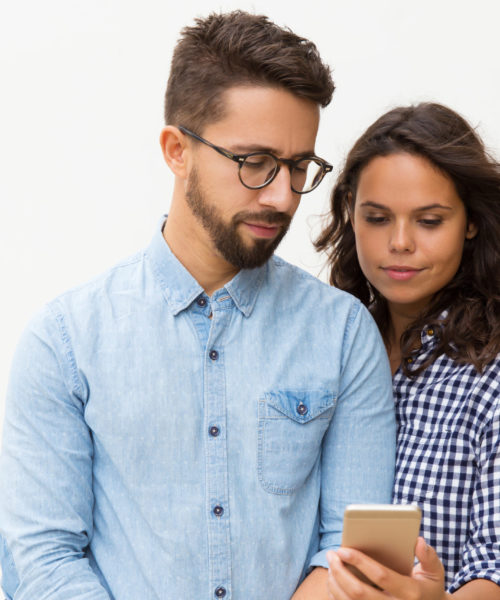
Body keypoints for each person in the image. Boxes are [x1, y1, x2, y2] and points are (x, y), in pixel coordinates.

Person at [0, 11, 397, 600]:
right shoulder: (65, 341)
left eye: (298, 166)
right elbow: (44, 559)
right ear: (176, 150)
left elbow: (353, 553)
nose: (283, 195)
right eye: (254, 163)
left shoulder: (342, 334)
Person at [315, 102, 500, 599]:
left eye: (429, 221)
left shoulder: (490, 374)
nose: (400, 243)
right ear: (351, 210)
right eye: (377, 217)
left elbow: (496, 563)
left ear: (471, 222)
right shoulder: (323, 347)